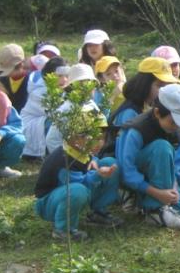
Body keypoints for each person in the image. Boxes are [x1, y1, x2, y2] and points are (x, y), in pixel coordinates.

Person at [117, 83, 180, 229]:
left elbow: (177, 162)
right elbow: (127, 170)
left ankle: (145, 202)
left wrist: (172, 187)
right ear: (157, 113)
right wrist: (158, 193)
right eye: (173, 122)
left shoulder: (176, 129)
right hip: (137, 177)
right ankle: (155, 210)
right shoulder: (137, 130)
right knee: (162, 147)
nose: (177, 127)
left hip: (161, 177)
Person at [33, 109, 121, 240]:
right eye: (93, 138)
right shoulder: (64, 159)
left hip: (76, 191)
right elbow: (79, 184)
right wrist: (97, 174)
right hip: (50, 202)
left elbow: (90, 161)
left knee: (109, 163)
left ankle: (98, 212)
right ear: (74, 137)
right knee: (77, 191)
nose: (99, 143)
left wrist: (95, 162)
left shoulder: (82, 150)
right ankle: (63, 229)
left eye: (101, 138)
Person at [21, 56, 68, 161]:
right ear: (48, 76)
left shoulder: (65, 90)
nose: (64, 80)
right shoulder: (39, 92)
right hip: (33, 124)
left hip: (45, 122)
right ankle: (52, 153)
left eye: (66, 76)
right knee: (55, 122)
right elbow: (53, 113)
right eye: (59, 76)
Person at [45, 64, 98, 154]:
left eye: (90, 82)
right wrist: (65, 159)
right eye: (82, 83)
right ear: (72, 87)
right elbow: (52, 140)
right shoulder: (66, 109)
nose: (87, 87)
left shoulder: (92, 106)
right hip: (68, 159)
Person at [0, 43, 29, 113]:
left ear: (20, 65)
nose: (5, 74)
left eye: (7, 70)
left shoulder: (31, 82)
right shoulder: (2, 80)